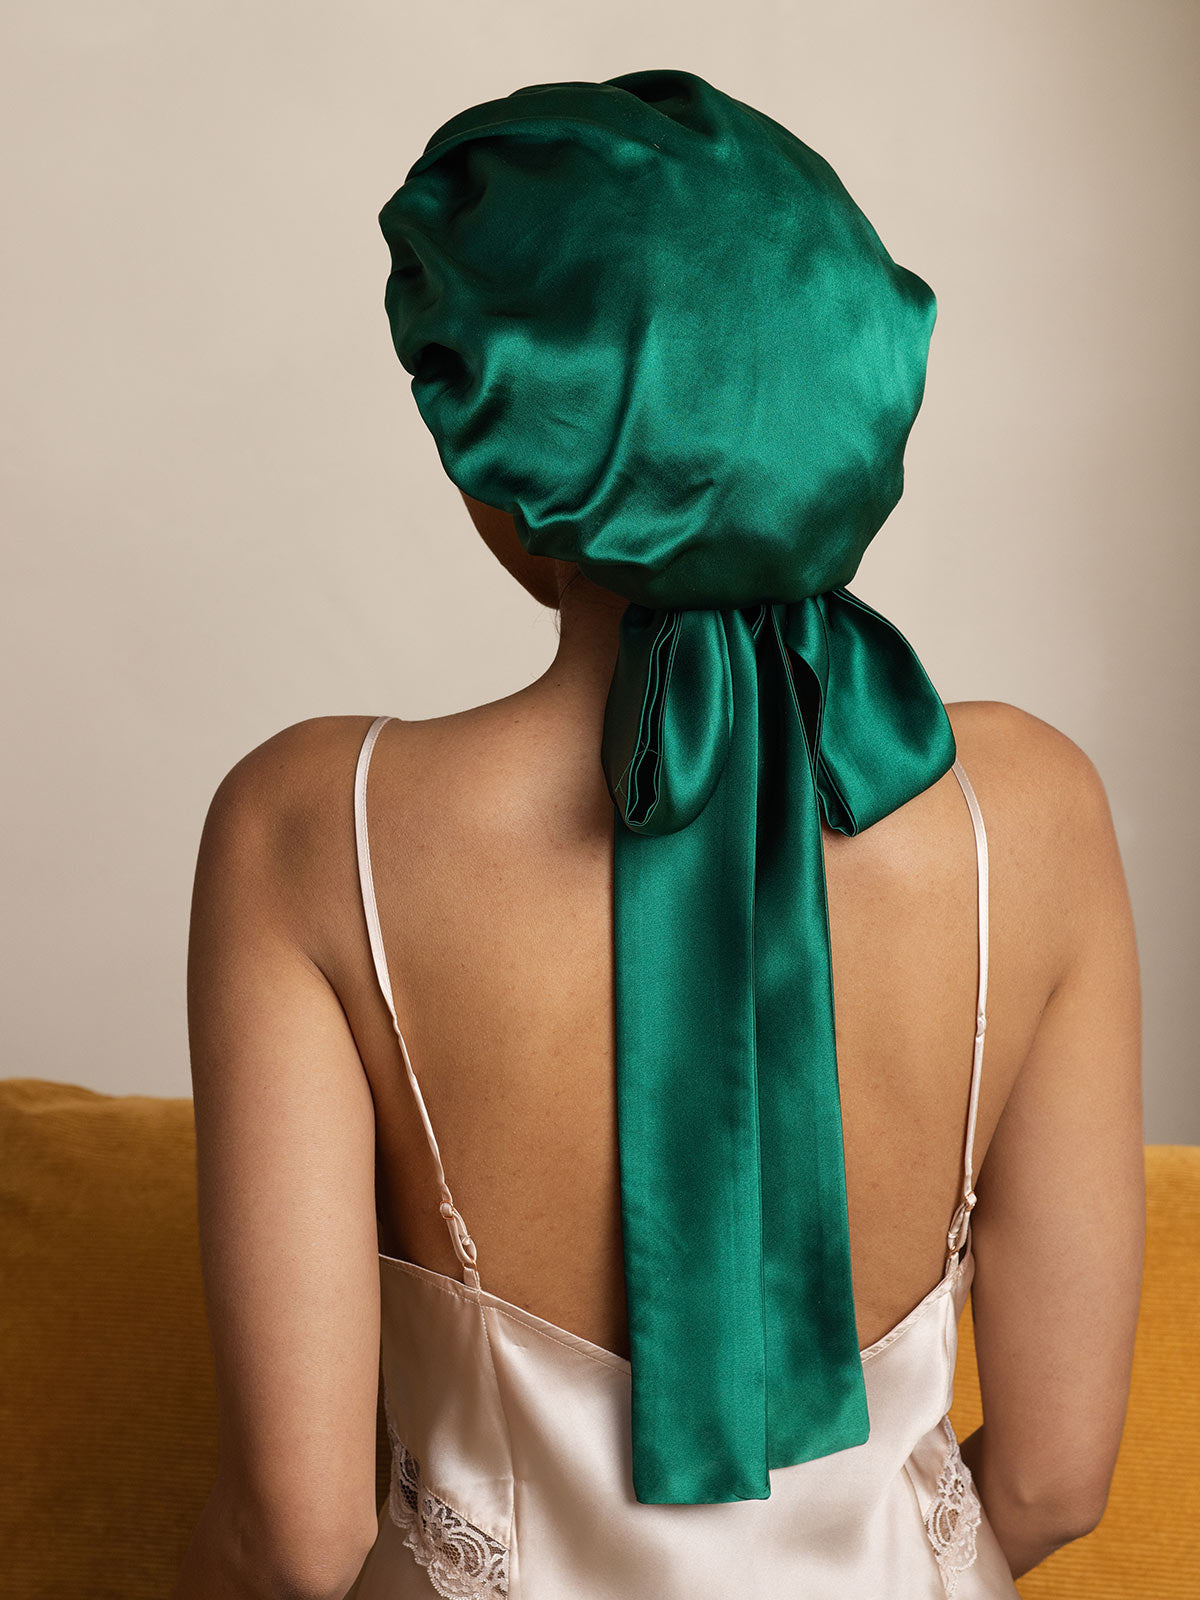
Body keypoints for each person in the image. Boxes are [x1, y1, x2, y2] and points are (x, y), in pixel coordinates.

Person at [174, 70, 1144, 1600]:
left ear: (515, 467)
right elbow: (1053, 1478)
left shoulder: (314, 828)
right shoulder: (1029, 810)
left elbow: (296, 1540)